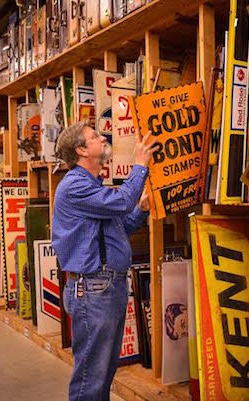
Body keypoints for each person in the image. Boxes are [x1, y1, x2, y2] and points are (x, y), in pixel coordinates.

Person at [51, 121, 157, 401]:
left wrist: (142, 209)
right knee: (91, 378)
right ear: (81, 150)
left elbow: (121, 225)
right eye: (95, 136)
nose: (102, 138)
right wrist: (140, 165)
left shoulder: (92, 187)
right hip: (93, 289)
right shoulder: (74, 186)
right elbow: (122, 203)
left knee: (103, 371)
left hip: (105, 287)